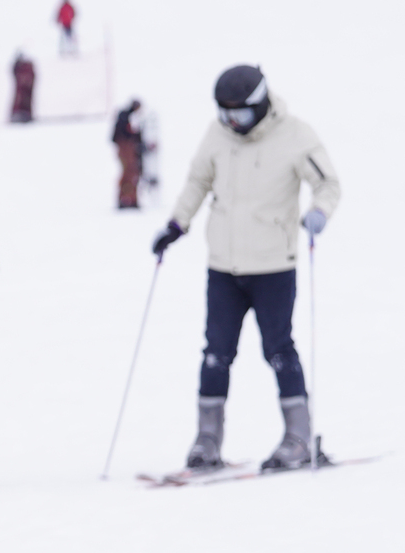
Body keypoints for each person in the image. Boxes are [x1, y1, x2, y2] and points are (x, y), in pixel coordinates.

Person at [150, 65, 342, 473]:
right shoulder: (217, 135)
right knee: (215, 354)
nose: (231, 122)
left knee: (279, 350)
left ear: (260, 104)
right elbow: (197, 182)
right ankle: (207, 439)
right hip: (224, 266)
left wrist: (319, 213)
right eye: (224, 113)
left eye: (238, 113)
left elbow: (327, 184)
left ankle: (299, 437)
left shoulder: (295, 135)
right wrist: (176, 224)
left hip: (274, 266)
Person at [112, 98, 145, 209]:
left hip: (129, 151)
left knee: (132, 174)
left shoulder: (127, 117)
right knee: (129, 175)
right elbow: (126, 134)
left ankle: (130, 199)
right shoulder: (127, 117)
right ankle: (126, 199)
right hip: (127, 150)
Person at [9, 52, 36, 123]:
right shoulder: (21, 70)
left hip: (24, 111)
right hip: (19, 112)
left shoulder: (27, 69)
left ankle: (22, 114)